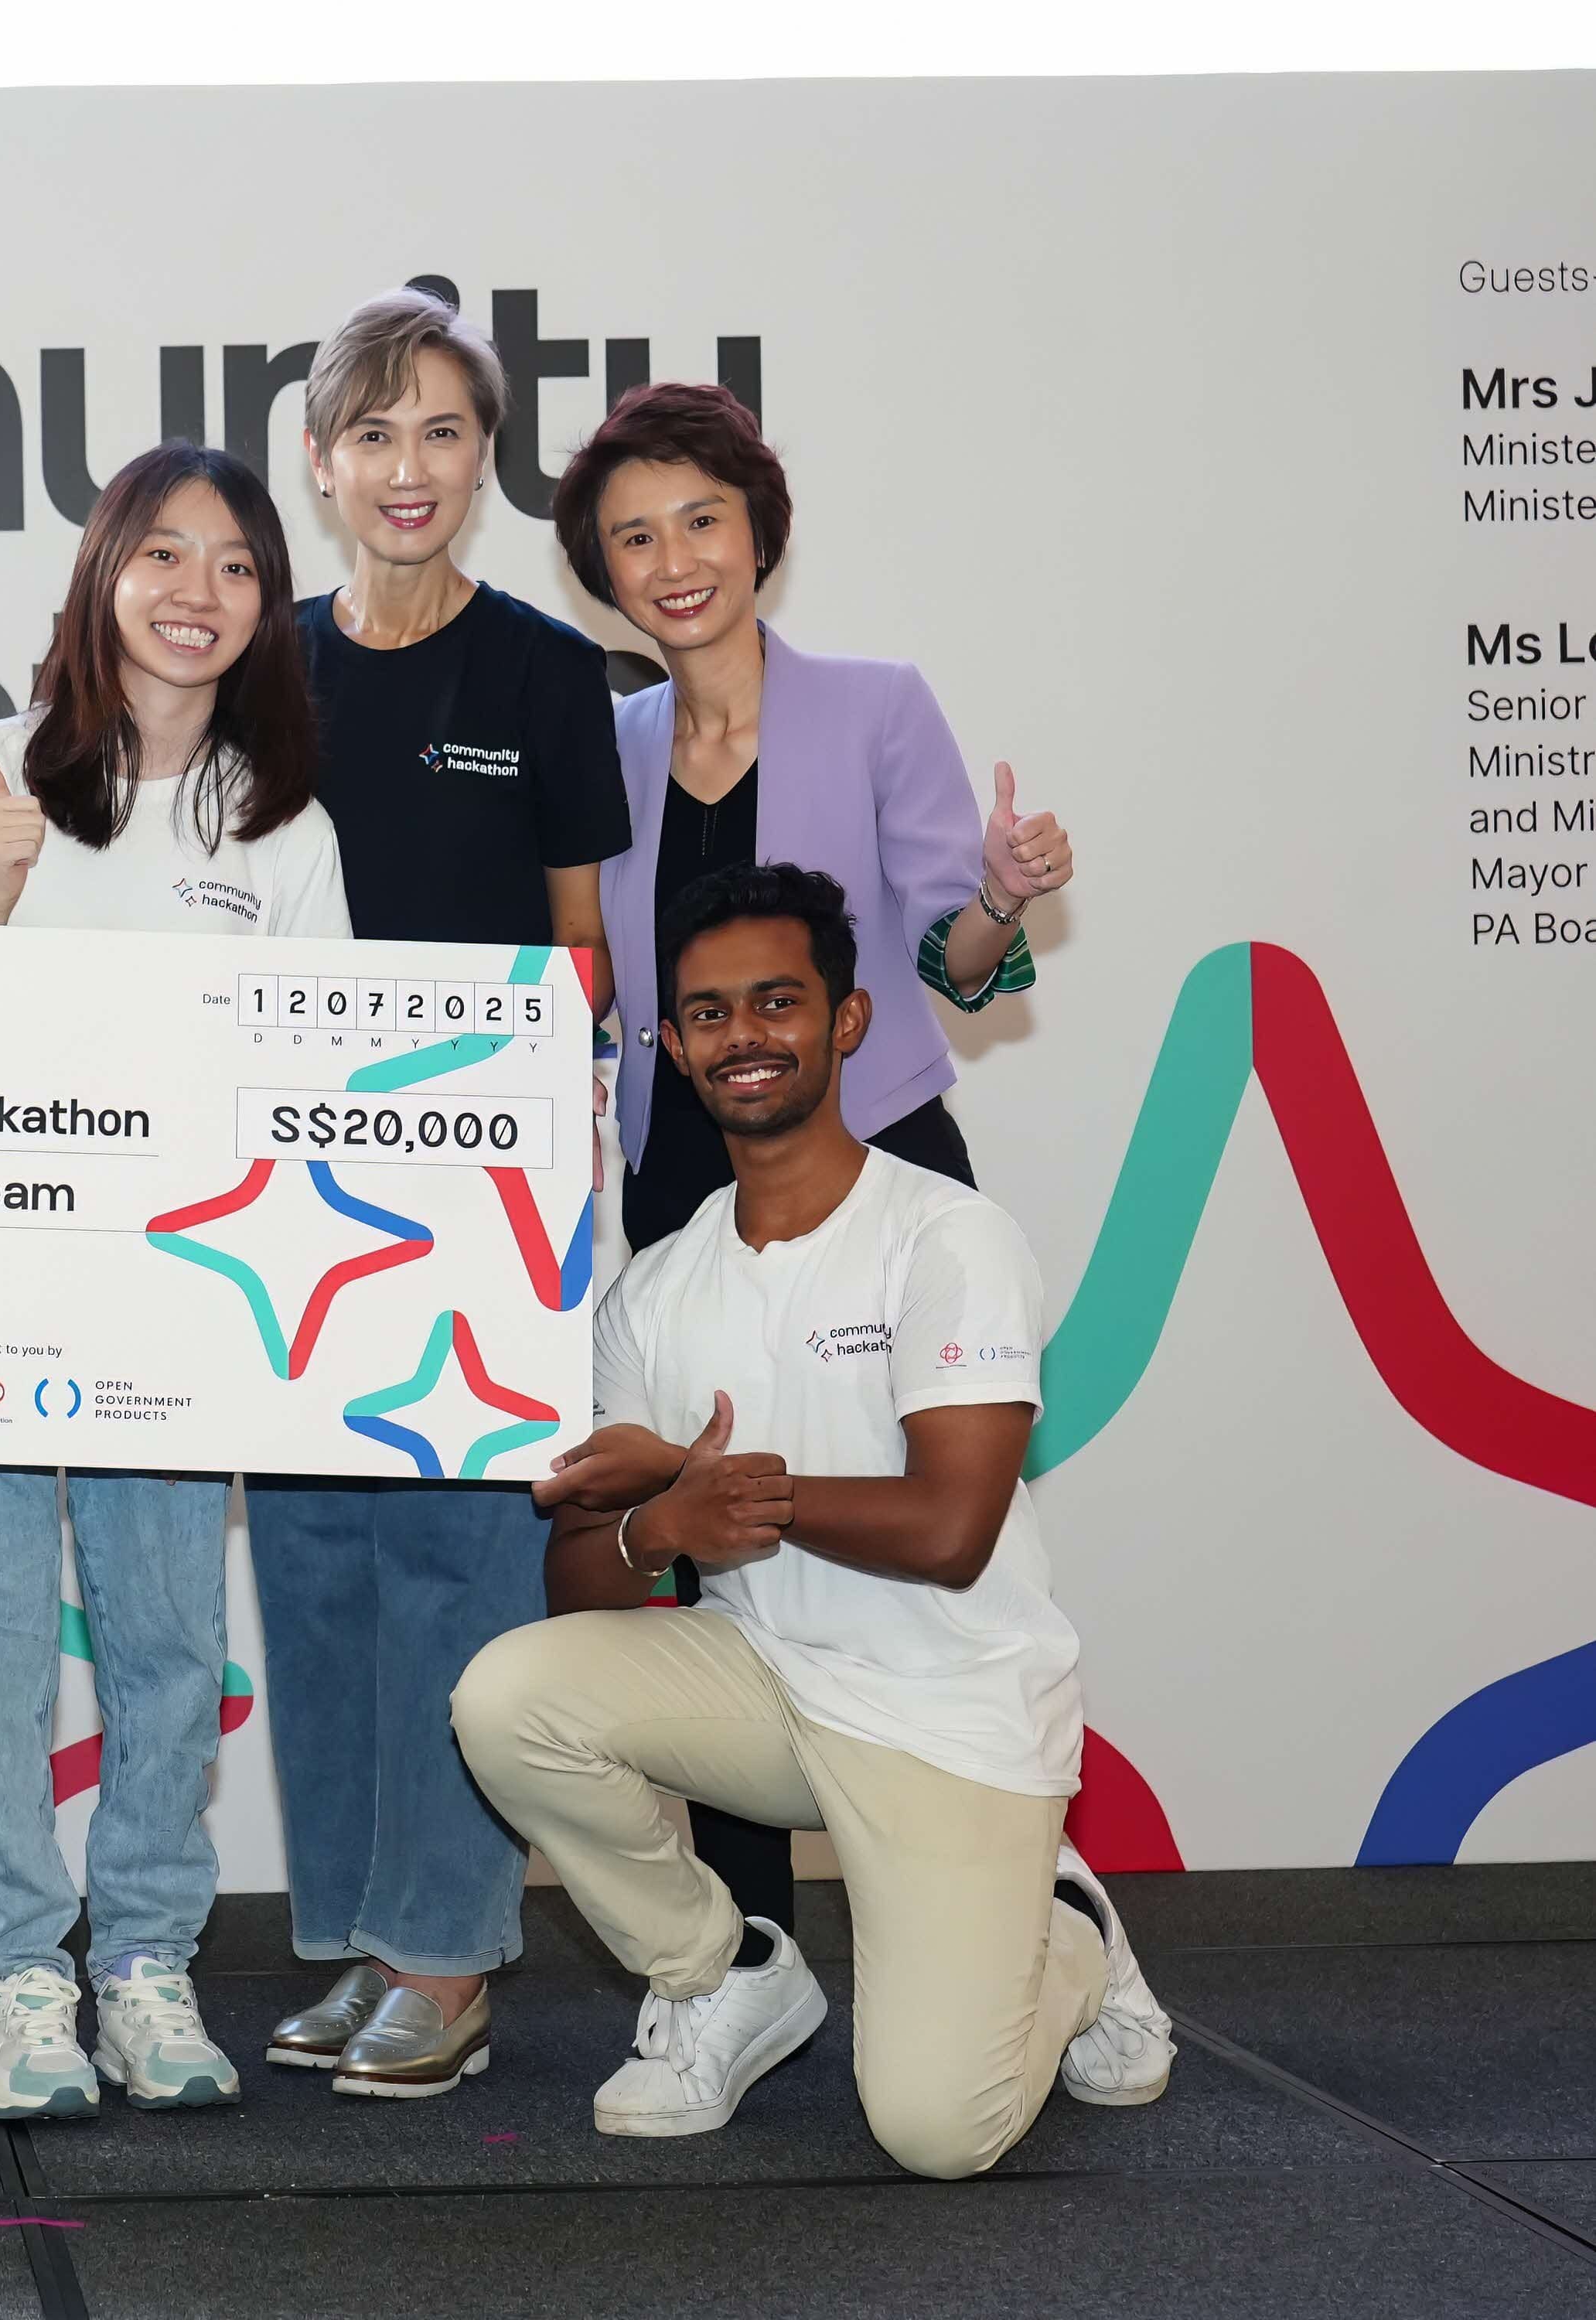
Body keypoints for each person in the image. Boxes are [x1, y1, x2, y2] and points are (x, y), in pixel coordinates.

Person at [451, 863, 1174, 2180]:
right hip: (768, 1686)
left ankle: (1063, 1930)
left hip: (950, 1709)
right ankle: (725, 1972)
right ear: (670, 1045)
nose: (745, 1038)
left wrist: (701, 1476)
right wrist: (661, 1526)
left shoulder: (948, 1238)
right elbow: (577, 1584)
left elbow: (953, 1530)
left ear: (846, 1021)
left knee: (937, 2133)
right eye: (710, 1015)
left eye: (778, 1003)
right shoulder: (655, 1289)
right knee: (510, 1697)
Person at [556, 380, 1082, 1936]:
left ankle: (1045, 1897)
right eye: (634, 537)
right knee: (712, 1557)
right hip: (680, 1183)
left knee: (937, 1522)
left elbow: (955, 959)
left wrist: (998, 896)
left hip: (878, 1155)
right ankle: (749, 1939)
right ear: (605, 572)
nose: (673, 560)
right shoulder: (608, 745)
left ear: (758, 532)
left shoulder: (876, 703)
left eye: (700, 520)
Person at [0, 442, 344, 2121]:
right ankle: (15, 1971)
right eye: (163, 555)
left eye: (233, 564)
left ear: (266, 605)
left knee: (163, 1645)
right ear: (100, 576)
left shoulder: (280, 820)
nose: (195, 593)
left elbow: (319, 1067)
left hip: (179, 1301)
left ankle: (146, 1960)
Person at [244, 287, 633, 2100]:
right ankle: (351, 1934)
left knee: (456, 1563)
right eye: (376, 435)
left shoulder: (551, 673)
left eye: (447, 435)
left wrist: (474, 1082)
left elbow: (585, 962)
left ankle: (449, 1954)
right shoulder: (262, 669)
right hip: (276, 1191)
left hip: (481, 1191)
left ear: (489, 460)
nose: (412, 471)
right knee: (318, 1568)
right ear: (318, 463)